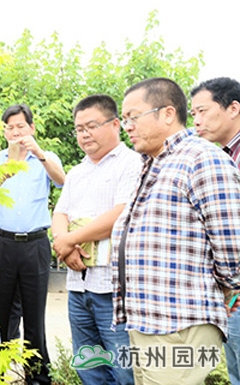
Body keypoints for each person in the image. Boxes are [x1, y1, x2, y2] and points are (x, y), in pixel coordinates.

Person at [112, 77, 240, 384]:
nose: (127, 126)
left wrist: (222, 289)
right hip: (148, 322)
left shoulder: (202, 159)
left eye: (133, 117)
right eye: (125, 119)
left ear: (167, 114)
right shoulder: (154, 163)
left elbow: (232, 246)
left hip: (180, 323)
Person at [51, 94, 139, 385]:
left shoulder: (132, 163)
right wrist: (64, 244)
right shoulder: (77, 172)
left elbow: (121, 214)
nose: (84, 134)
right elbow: (60, 213)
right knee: (88, 367)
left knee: (123, 370)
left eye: (91, 126)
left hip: (114, 287)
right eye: (79, 129)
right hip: (78, 286)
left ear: (115, 124)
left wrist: (69, 240)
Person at [0, 103, 66, 385]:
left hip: (35, 244)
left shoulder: (46, 158)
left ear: (31, 128)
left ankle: (37, 378)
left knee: (34, 316)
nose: (15, 132)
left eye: (21, 126)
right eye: (10, 128)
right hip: (1, 244)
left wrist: (39, 154)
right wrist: (7, 168)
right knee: (0, 315)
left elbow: (63, 182)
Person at [190, 77, 240, 385]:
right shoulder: (222, 156)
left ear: (233, 108)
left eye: (203, 111)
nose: (196, 121)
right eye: (193, 113)